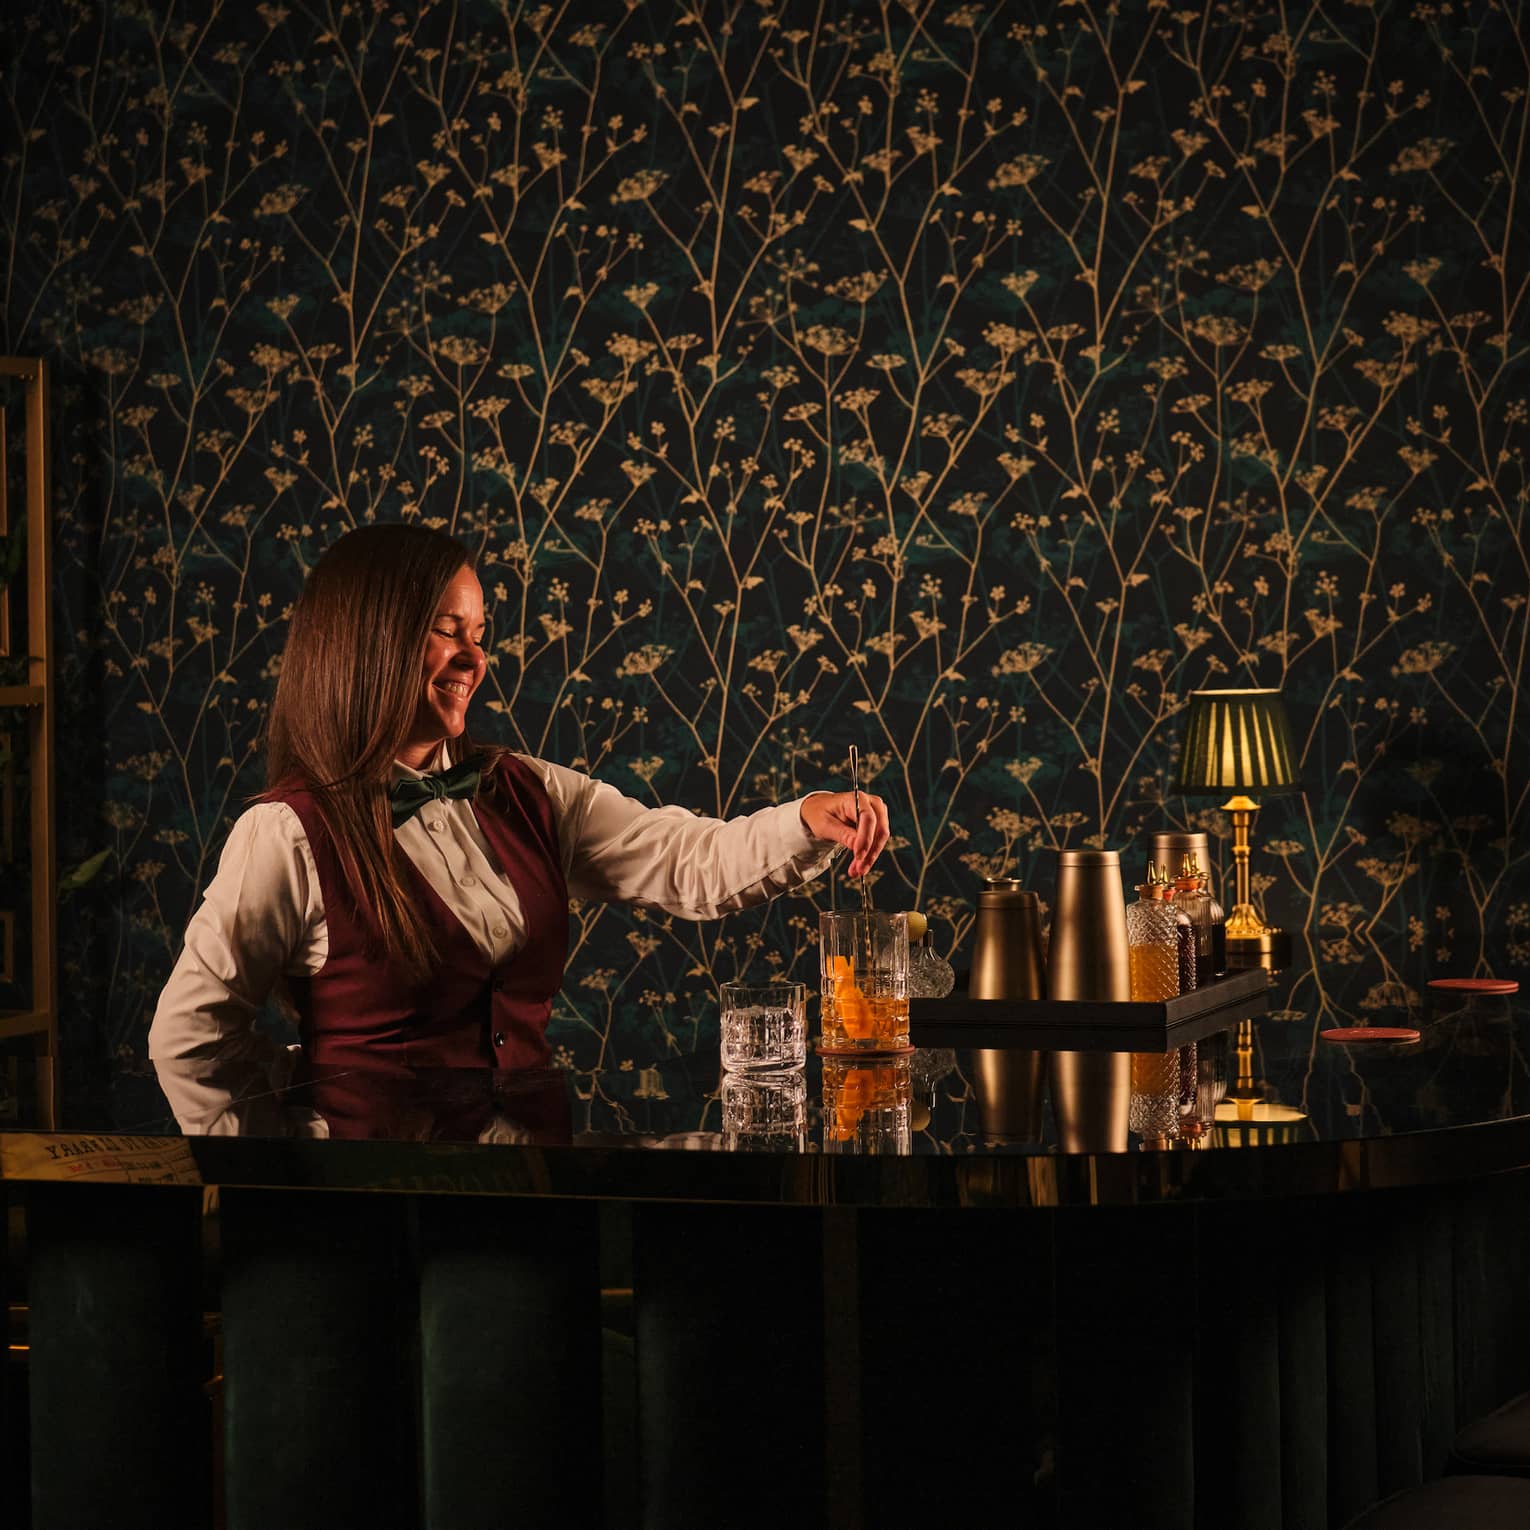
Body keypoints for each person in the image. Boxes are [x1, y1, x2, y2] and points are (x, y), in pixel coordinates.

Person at [148, 524, 890, 1135]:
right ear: (370, 642)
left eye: (479, 632)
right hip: (372, 1208)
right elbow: (191, 1039)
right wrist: (298, 1144)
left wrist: (805, 819)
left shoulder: (526, 789)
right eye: (447, 631)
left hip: (534, 1179)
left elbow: (682, 857)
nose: (474, 657)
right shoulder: (286, 832)